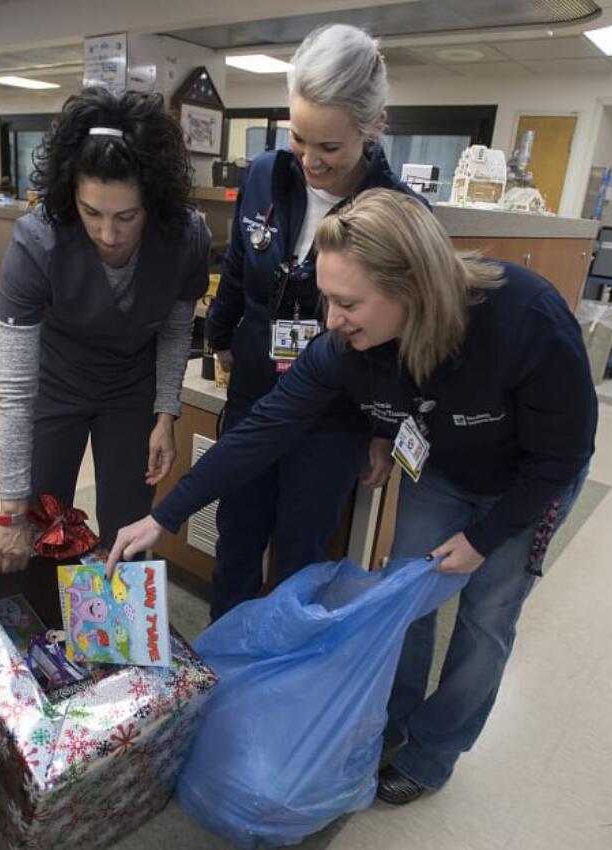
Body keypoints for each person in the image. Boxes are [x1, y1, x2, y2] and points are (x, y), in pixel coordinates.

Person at [107, 189, 597, 805]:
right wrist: (165, 516)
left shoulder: (524, 317)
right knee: (404, 597)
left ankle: (431, 755)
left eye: (347, 302)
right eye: (327, 299)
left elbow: (563, 455)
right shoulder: (343, 348)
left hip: (531, 480)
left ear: (411, 285)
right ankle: (387, 724)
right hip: (442, 468)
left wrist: (484, 539)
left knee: (486, 620)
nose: (331, 319)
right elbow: (263, 430)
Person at [200, 23, 423, 620]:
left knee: (300, 559)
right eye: (301, 139)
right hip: (254, 394)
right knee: (237, 540)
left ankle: (281, 686)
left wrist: (384, 429)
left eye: (331, 147)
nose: (311, 161)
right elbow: (243, 266)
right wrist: (221, 339)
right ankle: (227, 674)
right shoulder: (266, 173)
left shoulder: (400, 212)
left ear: (373, 127)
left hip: (334, 414)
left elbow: (406, 337)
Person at [0, 87, 210, 574]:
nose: (108, 235)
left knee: (128, 532)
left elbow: (176, 330)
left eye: (126, 216)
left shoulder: (186, 236)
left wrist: (166, 412)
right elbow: (13, 389)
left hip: (132, 388)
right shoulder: (37, 242)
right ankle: (48, 633)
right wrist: (9, 509)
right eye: (92, 213)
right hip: (54, 385)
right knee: (42, 523)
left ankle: (120, 639)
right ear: (72, 195)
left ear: (153, 202)